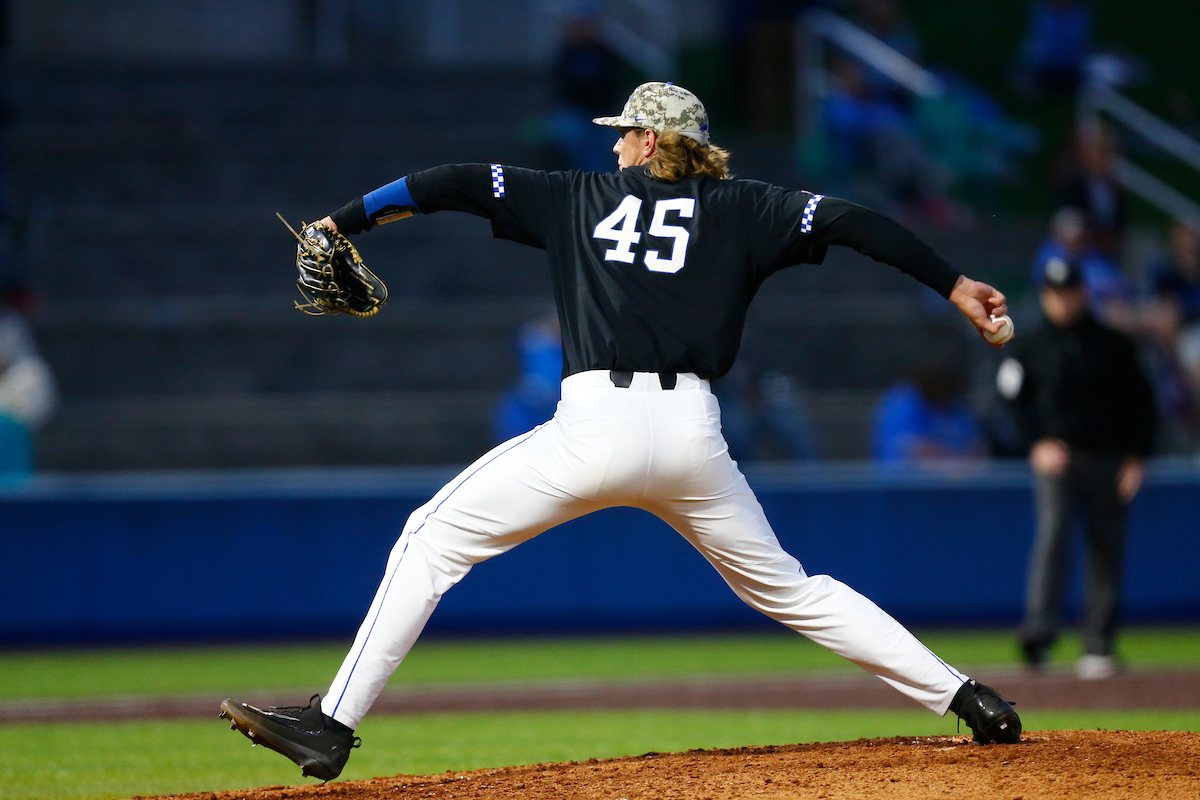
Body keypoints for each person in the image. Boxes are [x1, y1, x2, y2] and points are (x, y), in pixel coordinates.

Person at [220, 81, 1022, 782]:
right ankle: (967, 696)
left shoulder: (575, 197)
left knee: (431, 541)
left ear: (646, 139)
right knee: (793, 591)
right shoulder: (748, 208)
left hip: (592, 427)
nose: (616, 146)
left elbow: (450, 182)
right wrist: (953, 285)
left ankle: (333, 723)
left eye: (623, 134)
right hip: (693, 438)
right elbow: (859, 224)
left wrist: (345, 221)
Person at [996, 257, 1156, 680]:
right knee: (1053, 539)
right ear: (1045, 296)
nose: (1063, 301)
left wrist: (1137, 456)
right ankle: (1039, 635)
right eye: (1054, 293)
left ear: (1083, 292)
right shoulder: (1030, 345)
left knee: (1106, 548)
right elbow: (1011, 400)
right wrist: (1037, 442)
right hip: (1058, 459)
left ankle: (1099, 642)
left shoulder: (1113, 344)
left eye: (1069, 292)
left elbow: (1141, 403)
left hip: (1107, 457)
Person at [872, 361, 985, 465]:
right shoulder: (904, 402)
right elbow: (908, 449)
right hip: (904, 483)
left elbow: (979, 448)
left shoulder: (956, 406)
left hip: (959, 484)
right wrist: (950, 465)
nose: (942, 392)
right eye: (938, 387)